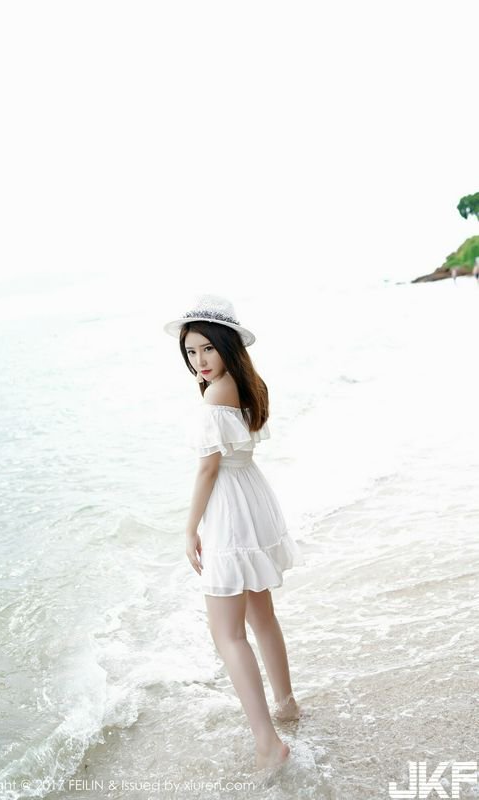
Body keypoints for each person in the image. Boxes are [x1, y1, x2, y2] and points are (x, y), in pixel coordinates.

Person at [163, 293, 302, 772]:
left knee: (227, 633)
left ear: (226, 345)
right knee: (261, 615)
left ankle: (268, 743)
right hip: (253, 499)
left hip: (229, 508)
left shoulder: (213, 396)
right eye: (191, 352)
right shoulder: (247, 383)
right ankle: (286, 705)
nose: (199, 360)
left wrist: (189, 529)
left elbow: (207, 470)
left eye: (208, 348)